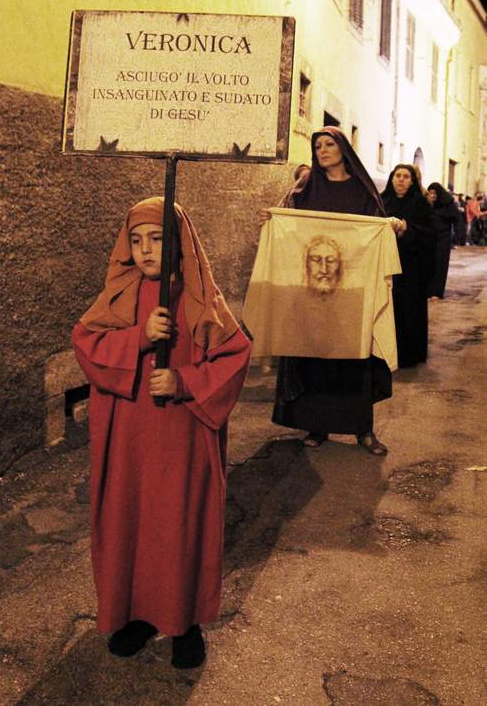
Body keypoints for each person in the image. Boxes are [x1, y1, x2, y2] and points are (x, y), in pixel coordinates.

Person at [72, 197, 250, 668]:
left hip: (180, 437)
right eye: (137, 240)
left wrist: (184, 381)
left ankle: (184, 622)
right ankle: (137, 613)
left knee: (179, 524)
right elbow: (86, 344)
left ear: (179, 244)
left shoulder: (197, 297)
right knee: (131, 521)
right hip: (129, 435)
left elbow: (235, 355)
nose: (146, 250)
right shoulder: (120, 293)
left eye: (158, 239)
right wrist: (139, 338)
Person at [260, 126, 405, 456]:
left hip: (352, 288)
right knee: (314, 353)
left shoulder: (363, 191)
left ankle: (363, 430)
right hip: (315, 286)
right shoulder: (307, 187)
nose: (323, 150)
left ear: (343, 149)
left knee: (357, 358)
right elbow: (289, 222)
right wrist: (272, 221)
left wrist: (393, 226)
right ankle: (316, 424)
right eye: (318, 145)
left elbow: (377, 231)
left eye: (329, 144)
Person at [381, 164, 435, 367]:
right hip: (386, 265)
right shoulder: (381, 201)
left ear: (412, 181)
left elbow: (429, 235)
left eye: (406, 176)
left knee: (410, 311)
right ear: (391, 178)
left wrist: (407, 229)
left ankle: (409, 354)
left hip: (412, 268)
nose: (401, 180)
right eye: (397, 175)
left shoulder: (421, 204)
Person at [426, 183, 459, 299]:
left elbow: (457, 220)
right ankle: (428, 290)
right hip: (430, 238)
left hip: (443, 239)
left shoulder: (448, 204)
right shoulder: (427, 205)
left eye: (434, 193)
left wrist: (459, 237)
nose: (432, 195)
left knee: (440, 265)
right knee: (429, 263)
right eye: (430, 192)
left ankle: (437, 291)